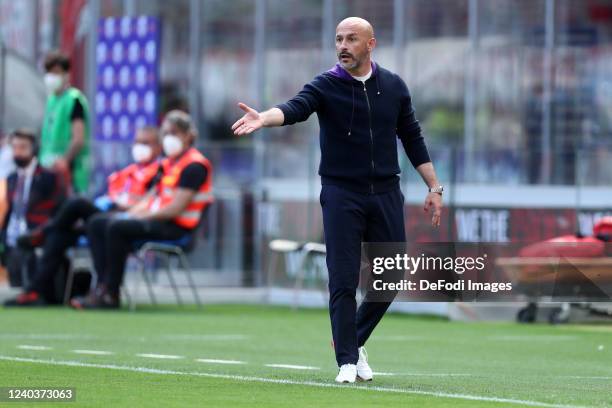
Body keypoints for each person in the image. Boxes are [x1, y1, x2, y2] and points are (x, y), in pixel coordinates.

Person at [232, 17, 443, 383]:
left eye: (351, 39)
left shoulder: (393, 86)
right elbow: (295, 108)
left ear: (370, 44)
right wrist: (264, 118)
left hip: (386, 192)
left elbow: (412, 137)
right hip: (342, 193)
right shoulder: (326, 85)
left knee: (389, 278)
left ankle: (353, 339)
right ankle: (346, 361)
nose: (343, 46)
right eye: (338, 40)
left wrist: (434, 188)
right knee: (343, 279)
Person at [4, 127, 162, 307]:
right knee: (59, 236)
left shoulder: (160, 172)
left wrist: (125, 204)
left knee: (78, 204)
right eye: (138, 142)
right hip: (108, 215)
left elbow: (153, 202)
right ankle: (35, 291)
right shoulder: (128, 172)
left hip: (127, 219)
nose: (140, 147)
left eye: (146, 143)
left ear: (158, 147)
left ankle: (43, 233)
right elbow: (110, 196)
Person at [71, 110, 213, 309]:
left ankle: (111, 294)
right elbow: (151, 197)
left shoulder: (195, 166)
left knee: (116, 228)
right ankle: (102, 287)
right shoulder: (167, 164)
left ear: (188, 135)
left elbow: (175, 208)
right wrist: (129, 214)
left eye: (174, 133)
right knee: (97, 222)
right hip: (155, 219)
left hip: (176, 227)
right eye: (165, 133)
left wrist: (137, 217)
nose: (168, 138)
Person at [0, 130, 66, 293]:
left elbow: (58, 209)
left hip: (36, 234)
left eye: (22, 148)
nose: (18, 152)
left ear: (34, 149)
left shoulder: (49, 177)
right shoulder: (11, 179)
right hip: (11, 238)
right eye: (14, 147)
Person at [40, 51, 91, 194]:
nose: (51, 77)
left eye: (56, 72)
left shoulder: (74, 100)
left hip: (70, 173)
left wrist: (64, 160)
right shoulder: (51, 100)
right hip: (48, 169)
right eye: (49, 72)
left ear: (66, 75)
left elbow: (78, 139)